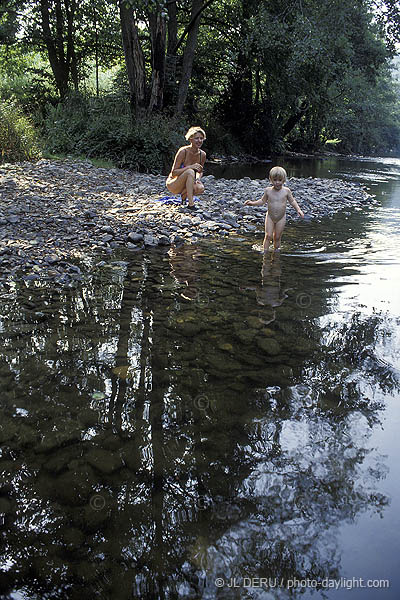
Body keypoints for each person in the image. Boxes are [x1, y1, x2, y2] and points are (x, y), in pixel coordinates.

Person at [244, 166, 304, 252]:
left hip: (281, 218)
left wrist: (298, 210)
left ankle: (276, 251)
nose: (277, 182)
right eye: (275, 180)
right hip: (270, 217)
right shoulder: (268, 191)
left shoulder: (286, 191)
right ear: (270, 179)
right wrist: (252, 203)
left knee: (277, 237)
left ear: (284, 180)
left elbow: (292, 201)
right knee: (268, 235)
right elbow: (262, 201)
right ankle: (265, 251)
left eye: (280, 180)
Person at [166, 126, 206, 211]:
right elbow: (174, 172)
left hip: (189, 181)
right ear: (190, 139)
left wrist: (198, 178)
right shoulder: (183, 151)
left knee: (200, 188)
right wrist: (189, 167)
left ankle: (184, 199)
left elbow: (200, 171)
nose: (199, 141)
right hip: (173, 183)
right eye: (196, 138)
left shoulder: (202, 154)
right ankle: (191, 204)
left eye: (201, 138)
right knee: (190, 172)